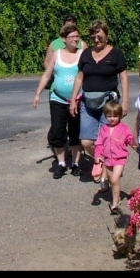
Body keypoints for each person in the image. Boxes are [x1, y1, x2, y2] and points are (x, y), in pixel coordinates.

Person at [68, 20, 129, 192]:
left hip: (108, 104)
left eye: (99, 36)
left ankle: (106, 174)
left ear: (106, 35)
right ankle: (104, 162)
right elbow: (79, 77)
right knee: (86, 141)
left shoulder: (116, 54)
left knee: (107, 140)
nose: (96, 39)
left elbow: (123, 77)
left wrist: (124, 102)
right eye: (93, 36)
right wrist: (73, 99)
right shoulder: (86, 54)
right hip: (88, 104)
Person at [33, 23, 84, 179]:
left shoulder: (83, 54)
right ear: (64, 39)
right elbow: (47, 75)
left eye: (77, 36)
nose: (76, 39)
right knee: (57, 132)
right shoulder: (57, 54)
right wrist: (37, 93)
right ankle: (61, 163)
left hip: (77, 100)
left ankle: (75, 164)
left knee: (75, 133)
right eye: (72, 37)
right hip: (58, 99)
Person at [94, 100, 136, 214]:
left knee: (114, 179)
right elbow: (99, 143)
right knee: (114, 182)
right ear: (105, 116)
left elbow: (130, 139)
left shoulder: (124, 128)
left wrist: (134, 145)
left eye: (115, 116)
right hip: (108, 159)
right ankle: (116, 198)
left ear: (120, 116)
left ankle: (115, 204)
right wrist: (98, 155)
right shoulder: (104, 129)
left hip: (120, 158)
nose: (112, 118)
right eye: (109, 116)